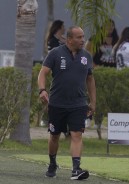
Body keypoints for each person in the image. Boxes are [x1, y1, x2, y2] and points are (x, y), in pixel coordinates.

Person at [38, 26, 96, 180]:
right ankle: (52, 163)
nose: (82, 40)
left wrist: (93, 102)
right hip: (57, 103)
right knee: (54, 136)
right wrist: (42, 90)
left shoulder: (87, 57)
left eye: (83, 36)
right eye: (79, 37)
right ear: (69, 39)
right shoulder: (55, 53)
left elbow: (90, 80)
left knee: (77, 135)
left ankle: (76, 169)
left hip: (78, 104)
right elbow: (43, 73)